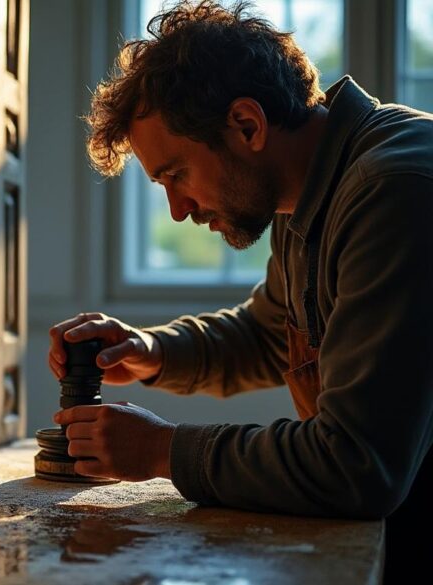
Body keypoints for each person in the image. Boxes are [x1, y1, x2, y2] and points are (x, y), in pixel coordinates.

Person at [47, 1, 433, 580]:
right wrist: (149, 350)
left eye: (176, 175)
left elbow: (357, 464)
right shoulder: (306, 195)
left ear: (247, 125)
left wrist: (160, 450)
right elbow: (269, 334)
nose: (177, 210)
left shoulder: (395, 189)